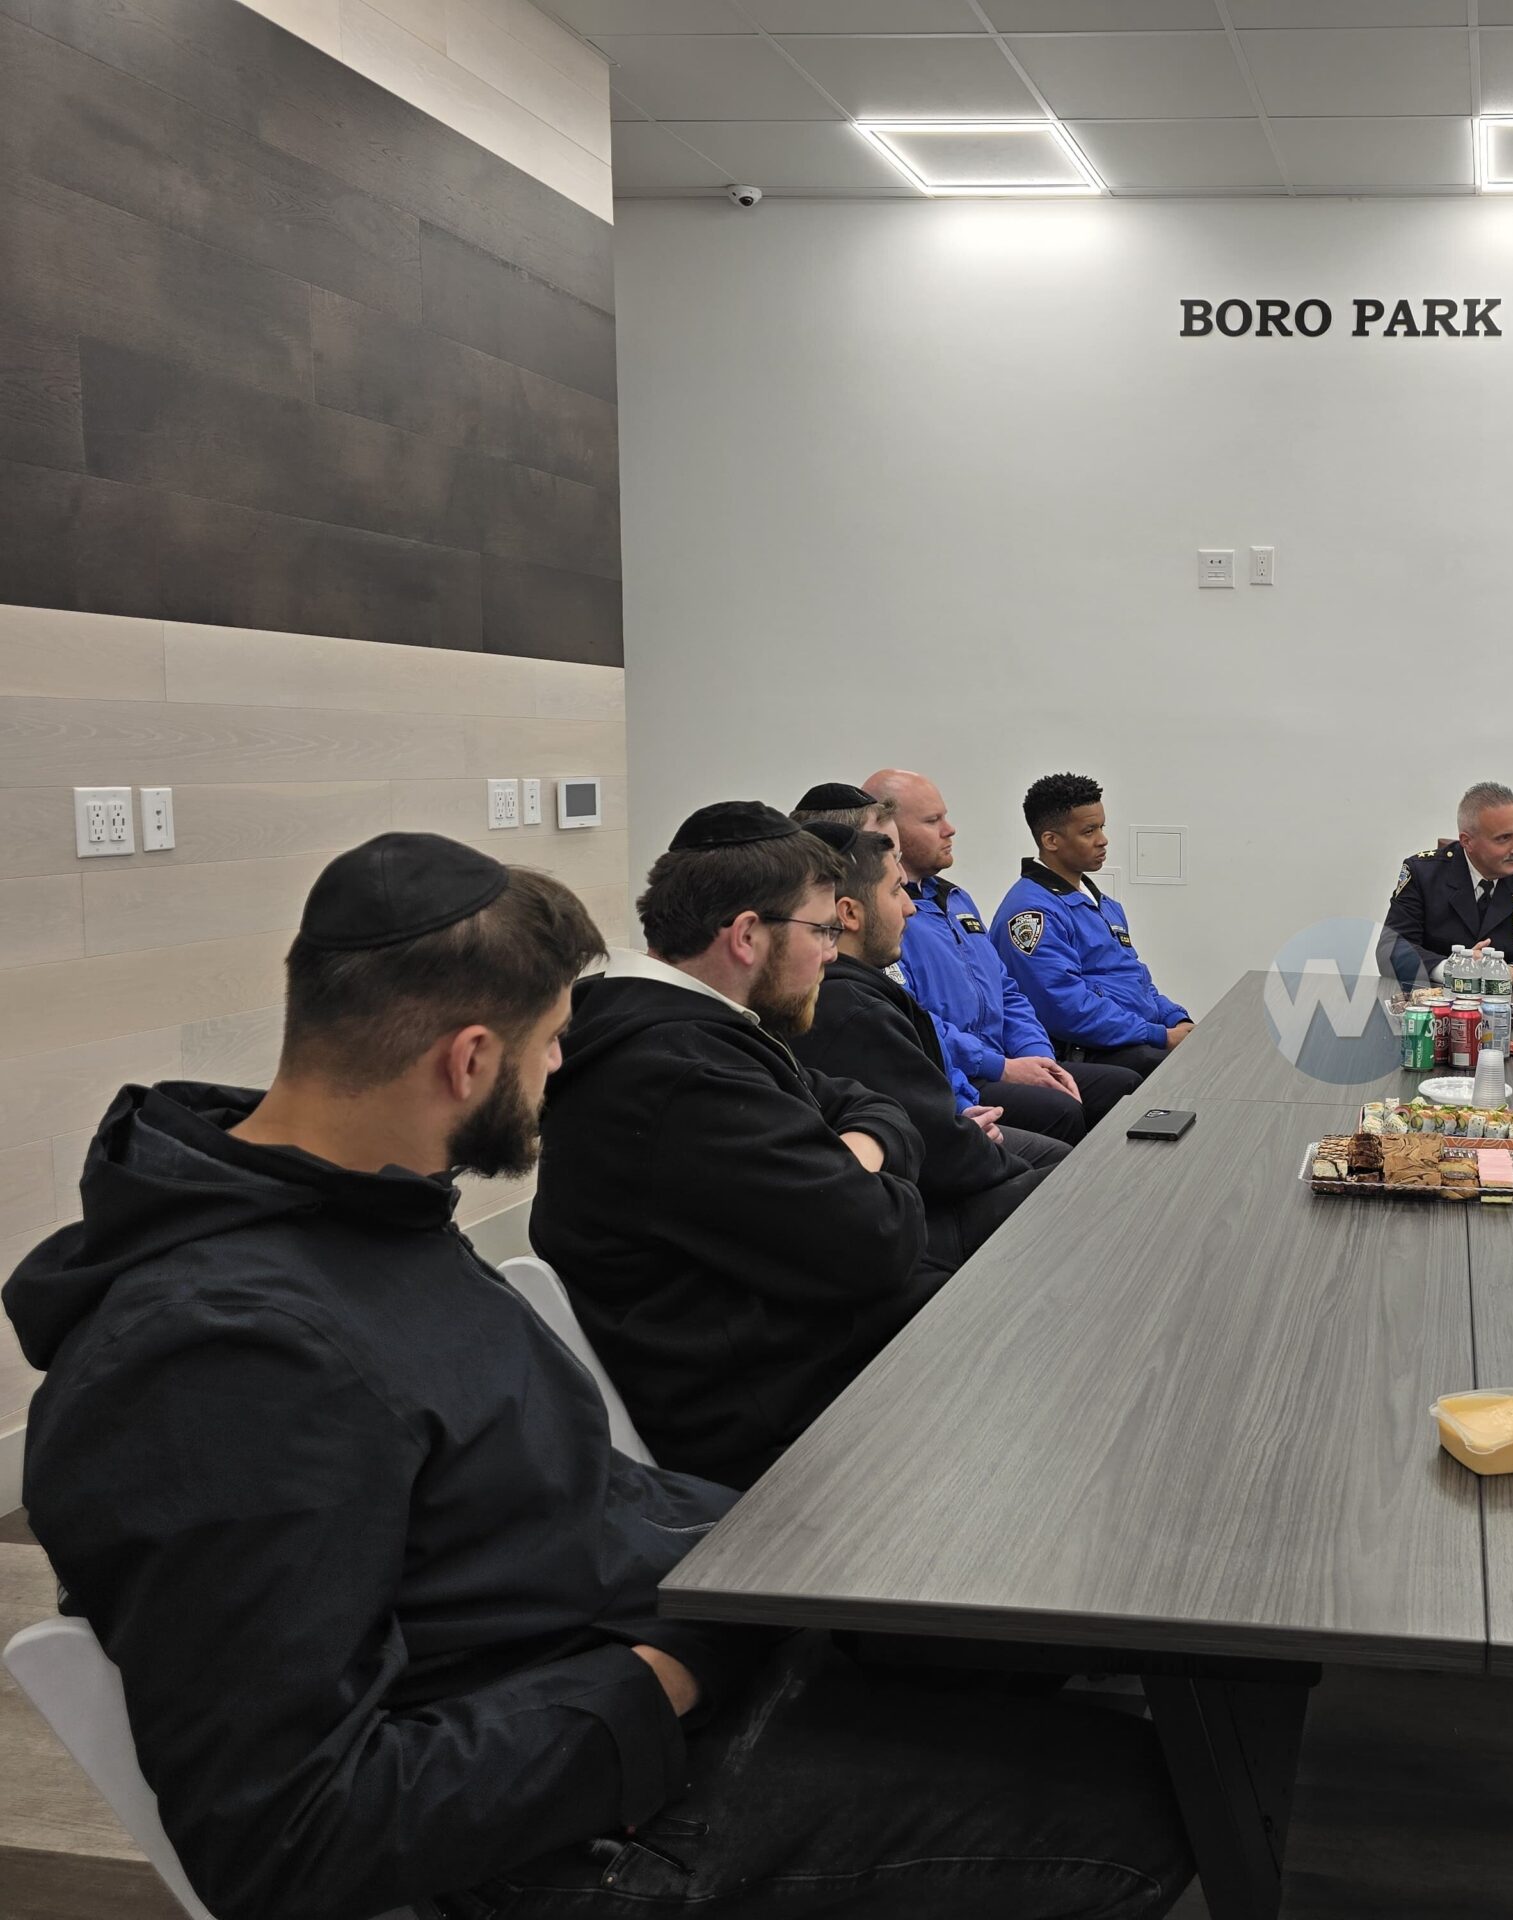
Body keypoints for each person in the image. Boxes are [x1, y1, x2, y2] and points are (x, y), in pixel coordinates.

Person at [2, 832, 1192, 1920]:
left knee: (1112, 1673)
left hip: (677, 1643)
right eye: (551, 1043)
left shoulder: (362, 1215)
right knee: (1154, 1808)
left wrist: (773, 1577)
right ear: (471, 1059)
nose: (565, 1064)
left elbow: (547, 1507)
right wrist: (667, 1675)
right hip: (580, 1828)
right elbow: (292, 1834)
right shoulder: (216, 1363)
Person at [531, 802, 935, 1488]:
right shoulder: (677, 1071)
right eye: (821, 930)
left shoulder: (692, 1030)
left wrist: (854, 1156)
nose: (831, 953)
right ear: (747, 935)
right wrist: (866, 1162)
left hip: (793, 1360)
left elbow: (870, 1104)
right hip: (773, 1427)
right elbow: (881, 1238)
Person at [792, 817, 1065, 1276]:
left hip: (938, 1146)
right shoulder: (855, 1008)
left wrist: (962, 1113)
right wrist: (978, 1140)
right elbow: (930, 1147)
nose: (910, 909)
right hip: (914, 1215)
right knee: (1068, 1178)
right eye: (896, 891)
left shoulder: (866, 987)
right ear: (850, 914)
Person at [868, 765, 1139, 1141]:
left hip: (1003, 1058)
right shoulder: (883, 920)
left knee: (1123, 1086)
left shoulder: (956, 900)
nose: (950, 829)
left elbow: (1007, 992)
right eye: (933, 821)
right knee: (1062, 1109)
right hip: (962, 1072)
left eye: (945, 816)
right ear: (891, 833)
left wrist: (1039, 1058)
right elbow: (917, 1022)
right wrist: (1003, 1067)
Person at [995, 772, 1193, 1077]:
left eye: (1102, 827)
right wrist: (1160, 1035)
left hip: (1134, 1036)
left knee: (1216, 1050)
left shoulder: (1103, 905)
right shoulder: (1032, 913)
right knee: (1198, 1074)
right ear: (1051, 841)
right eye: (1089, 831)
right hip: (1087, 1052)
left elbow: (1136, 981)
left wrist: (1175, 1019)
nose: (1103, 840)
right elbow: (1065, 1008)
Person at [1378, 781, 1513, 989]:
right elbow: (1391, 949)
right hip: (1441, 1002)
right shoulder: (1423, 874)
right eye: (1503, 838)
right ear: (1467, 841)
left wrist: (1511, 974)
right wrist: (1452, 969)